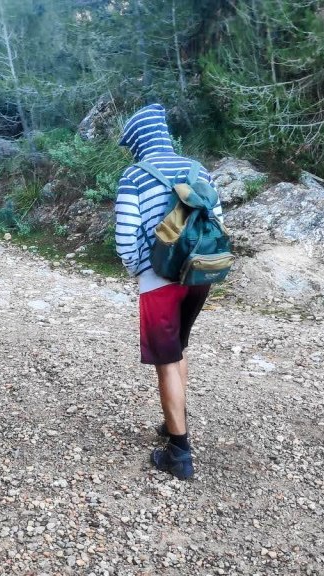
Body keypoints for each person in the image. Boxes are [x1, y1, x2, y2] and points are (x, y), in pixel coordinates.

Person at [114, 103, 222, 480]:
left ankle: (179, 452)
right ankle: (173, 419)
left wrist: (141, 270)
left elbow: (126, 236)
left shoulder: (135, 176)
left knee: (166, 359)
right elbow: (217, 220)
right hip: (199, 276)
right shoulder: (197, 169)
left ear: (138, 141)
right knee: (179, 349)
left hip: (159, 281)